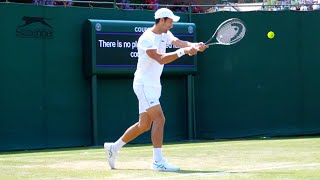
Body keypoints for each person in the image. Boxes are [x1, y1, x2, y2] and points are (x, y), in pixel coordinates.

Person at [104, 8, 208, 172]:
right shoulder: (146, 38)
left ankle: (114, 147)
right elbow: (161, 59)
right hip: (144, 85)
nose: (172, 25)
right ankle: (157, 161)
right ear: (161, 20)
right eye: (170, 21)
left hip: (153, 85)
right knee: (160, 119)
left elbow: (178, 42)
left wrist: (193, 45)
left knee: (143, 125)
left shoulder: (165, 34)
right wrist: (184, 52)